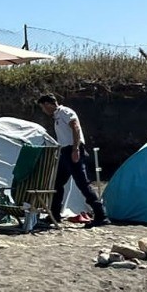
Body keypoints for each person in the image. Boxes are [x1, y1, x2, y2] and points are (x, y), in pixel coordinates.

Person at [38, 93, 106, 225]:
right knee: (57, 183)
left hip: (72, 149)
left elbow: (75, 126)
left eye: (43, 107)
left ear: (48, 104)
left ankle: (101, 215)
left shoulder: (65, 111)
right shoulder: (57, 116)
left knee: (83, 183)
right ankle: (55, 214)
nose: (43, 111)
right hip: (64, 151)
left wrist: (75, 149)